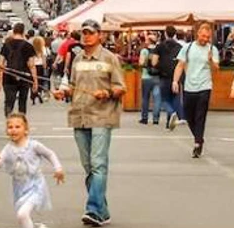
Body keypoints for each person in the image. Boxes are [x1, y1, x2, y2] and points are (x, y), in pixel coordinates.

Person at [51, 19, 123, 227]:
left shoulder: (110, 58)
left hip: (101, 116)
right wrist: (63, 92)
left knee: (98, 164)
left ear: (100, 35)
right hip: (79, 116)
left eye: (91, 32)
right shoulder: (77, 59)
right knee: (89, 167)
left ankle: (93, 209)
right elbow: (73, 86)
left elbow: (121, 87)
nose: (87, 36)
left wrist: (106, 92)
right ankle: (103, 212)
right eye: (84, 32)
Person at [0, 113, 64, 228]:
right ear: (6, 131)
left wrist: (58, 168)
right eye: (10, 127)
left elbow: (50, 154)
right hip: (19, 188)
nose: (13, 130)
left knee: (22, 214)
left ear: (26, 130)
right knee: (22, 217)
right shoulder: (8, 148)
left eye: (17, 127)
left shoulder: (33, 145)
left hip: (36, 186)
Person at [172, 21, 220, 158]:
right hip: (189, 86)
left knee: (200, 116)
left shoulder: (212, 49)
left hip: (204, 86)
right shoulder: (187, 48)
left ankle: (197, 143)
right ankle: (199, 138)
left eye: (208, 37)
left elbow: (216, 69)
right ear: (198, 33)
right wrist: (175, 81)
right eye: (203, 36)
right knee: (189, 115)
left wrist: (211, 61)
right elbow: (180, 65)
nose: (205, 39)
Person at [0, 23, 38, 116]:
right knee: (22, 101)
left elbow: (1, 64)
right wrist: (35, 81)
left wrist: (0, 79)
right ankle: (21, 120)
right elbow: (31, 65)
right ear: (23, 32)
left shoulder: (6, 45)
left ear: (13, 31)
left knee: (9, 101)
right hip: (24, 75)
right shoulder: (28, 46)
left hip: (9, 75)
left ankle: (9, 119)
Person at [151, 26, 185, 129]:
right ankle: (173, 120)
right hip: (176, 76)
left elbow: (154, 62)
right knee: (175, 98)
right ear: (175, 34)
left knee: (164, 99)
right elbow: (182, 62)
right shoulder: (179, 47)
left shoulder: (160, 46)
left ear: (165, 33)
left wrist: (159, 66)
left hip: (164, 76)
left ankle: (171, 112)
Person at [138, 35, 160, 125]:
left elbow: (141, 63)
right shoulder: (159, 50)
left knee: (145, 98)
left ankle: (144, 118)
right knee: (157, 99)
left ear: (149, 41)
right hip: (157, 77)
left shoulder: (144, 51)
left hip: (146, 77)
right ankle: (155, 119)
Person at [30, 36, 47, 105]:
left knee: (33, 81)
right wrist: (45, 66)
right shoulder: (42, 48)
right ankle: (39, 92)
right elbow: (44, 58)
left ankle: (33, 95)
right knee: (40, 81)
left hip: (33, 66)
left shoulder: (31, 48)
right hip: (40, 66)